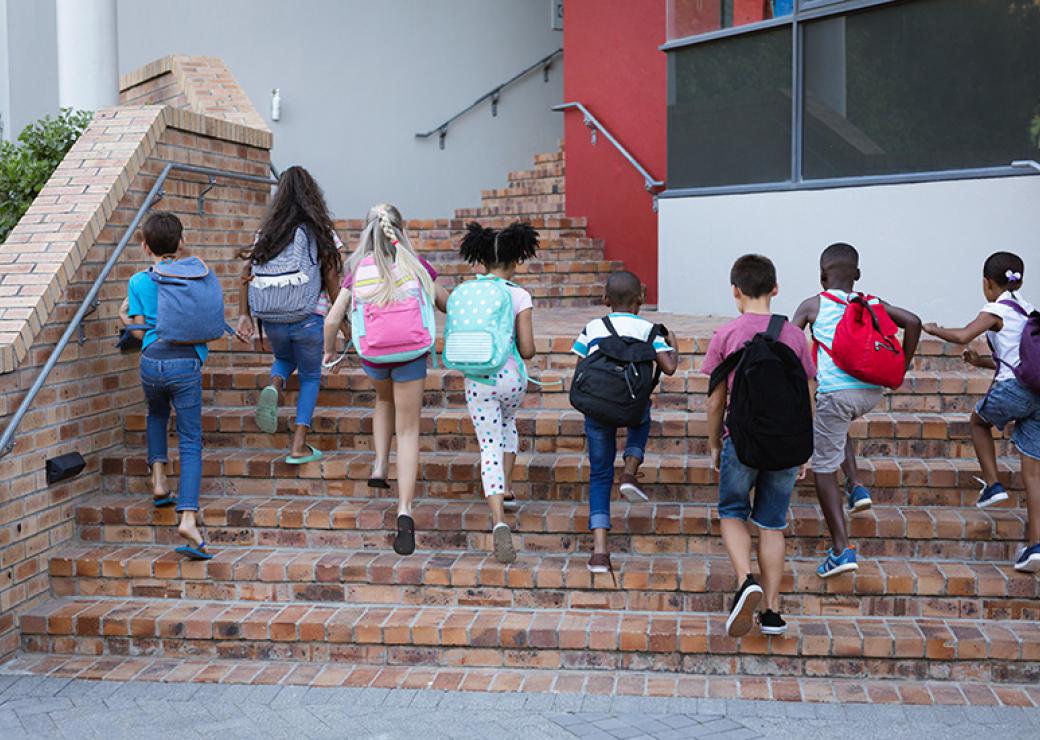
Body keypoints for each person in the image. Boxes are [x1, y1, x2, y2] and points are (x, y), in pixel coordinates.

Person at [323, 204, 449, 556]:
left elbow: (332, 319)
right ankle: (404, 510)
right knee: (408, 431)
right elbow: (445, 303)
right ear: (401, 231)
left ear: (366, 233)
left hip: (374, 355)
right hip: (410, 355)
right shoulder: (416, 265)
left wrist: (328, 351)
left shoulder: (357, 271)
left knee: (382, 400)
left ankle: (380, 463)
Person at [701, 255, 816, 637]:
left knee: (733, 510)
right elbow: (808, 395)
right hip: (786, 442)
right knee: (771, 524)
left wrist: (715, 443)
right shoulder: (796, 336)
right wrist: (806, 447)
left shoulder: (726, 336)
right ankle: (771, 611)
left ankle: (744, 578)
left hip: (742, 440)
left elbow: (716, 401)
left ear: (735, 291)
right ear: (776, 289)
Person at [792, 243, 921, 578]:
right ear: (858, 275)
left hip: (836, 395)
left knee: (823, 467)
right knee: (836, 428)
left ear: (822, 277)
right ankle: (857, 486)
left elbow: (790, 343)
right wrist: (901, 367)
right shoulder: (872, 302)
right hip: (871, 392)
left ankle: (841, 550)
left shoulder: (812, 304)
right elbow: (914, 321)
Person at [923, 251, 1040, 573]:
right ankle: (1035, 546)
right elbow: (1021, 359)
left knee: (978, 423)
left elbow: (963, 336)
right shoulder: (1030, 310)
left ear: (987, 283)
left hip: (1012, 390)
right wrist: (979, 362)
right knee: (1033, 473)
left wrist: (934, 329)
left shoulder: (996, 308)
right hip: (1037, 394)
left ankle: (993, 485)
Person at [235, 166, 346, 464]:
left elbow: (245, 271)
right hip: (309, 317)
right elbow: (333, 279)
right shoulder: (320, 232)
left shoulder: (268, 233)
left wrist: (244, 314)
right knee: (310, 377)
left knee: (284, 359)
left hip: (273, 319)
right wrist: (344, 323)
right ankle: (298, 446)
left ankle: (275, 384)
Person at [572, 270, 678, 575]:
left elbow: (581, 369)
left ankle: (600, 552)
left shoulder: (593, 327)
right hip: (631, 407)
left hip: (597, 409)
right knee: (642, 414)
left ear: (605, 299)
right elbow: (668, 368)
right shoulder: (649, 330)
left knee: (599, 475)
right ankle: (630, 472)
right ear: (641, 300)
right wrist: (673, 343)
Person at [119, 212, 211, 559]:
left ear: (145, 246)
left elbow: (139, 333)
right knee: (189, 440)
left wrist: (123, 319)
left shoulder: (138, 281)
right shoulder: (194, 273)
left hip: (151, 361)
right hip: (185, 361)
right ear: (180, 242)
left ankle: (158, 479)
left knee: (156, 415)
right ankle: (188, 517)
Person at [454, 221, 539, 563]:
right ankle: (506, 487)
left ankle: (498, 519)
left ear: (481, 260)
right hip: (512, 378)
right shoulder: (518, 294)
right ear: (515, 260)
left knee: (488, 444)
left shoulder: (468, 289)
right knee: (508, 426)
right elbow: (529, 349)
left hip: (479, 378)